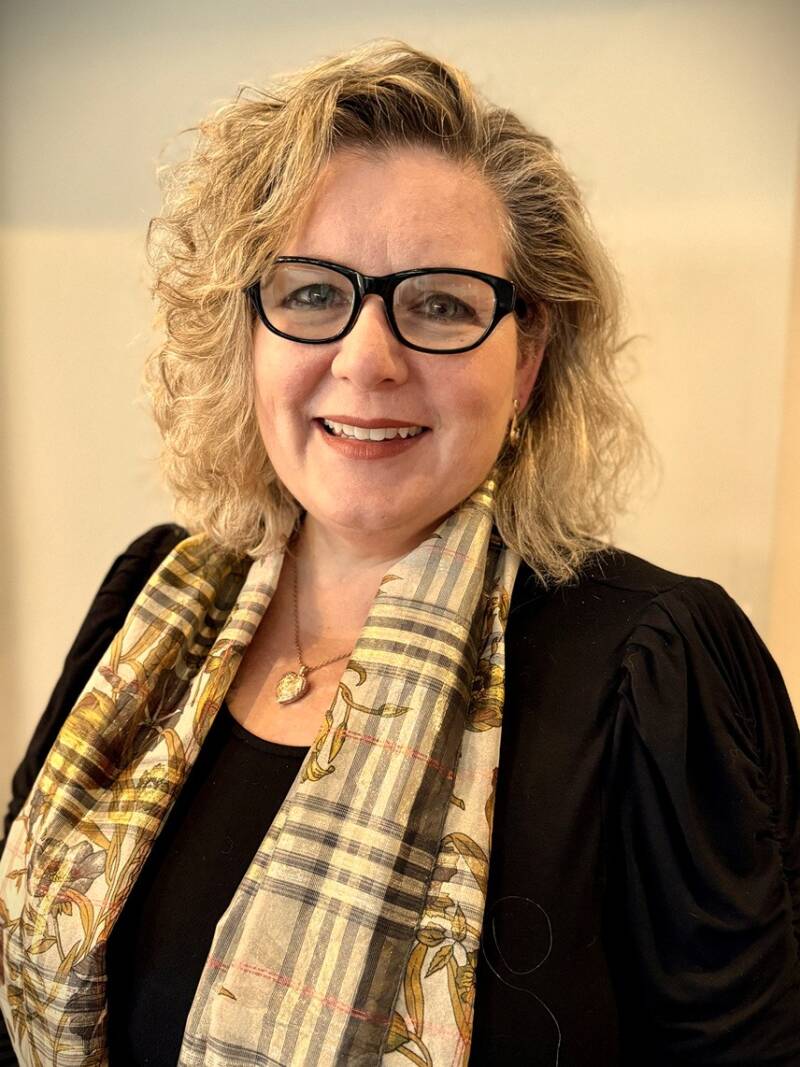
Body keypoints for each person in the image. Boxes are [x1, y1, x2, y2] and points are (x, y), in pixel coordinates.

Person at [0, 40, 798, 1067]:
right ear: (245, 333)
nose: (367, 359)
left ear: (526, 359)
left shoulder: (653, 669)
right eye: (311, 293)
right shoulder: (148, 605)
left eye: (441, 303)